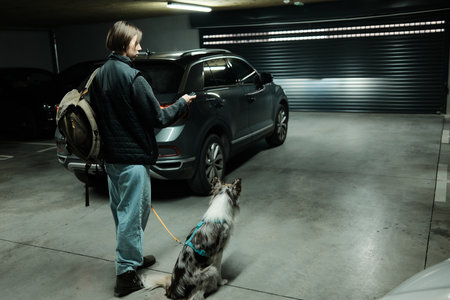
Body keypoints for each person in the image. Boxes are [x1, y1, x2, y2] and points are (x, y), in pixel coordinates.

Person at [89, 20, 196, 297]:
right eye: (136, 42)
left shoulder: (100, 75)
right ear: (125, 45)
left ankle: (132, 258)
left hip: (112, 159)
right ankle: (125, 275)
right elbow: (159, 117)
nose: (139, 46)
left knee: (127, 213)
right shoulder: (133, 77)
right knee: (132, 215)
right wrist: (183, 102)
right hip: (132, 159)